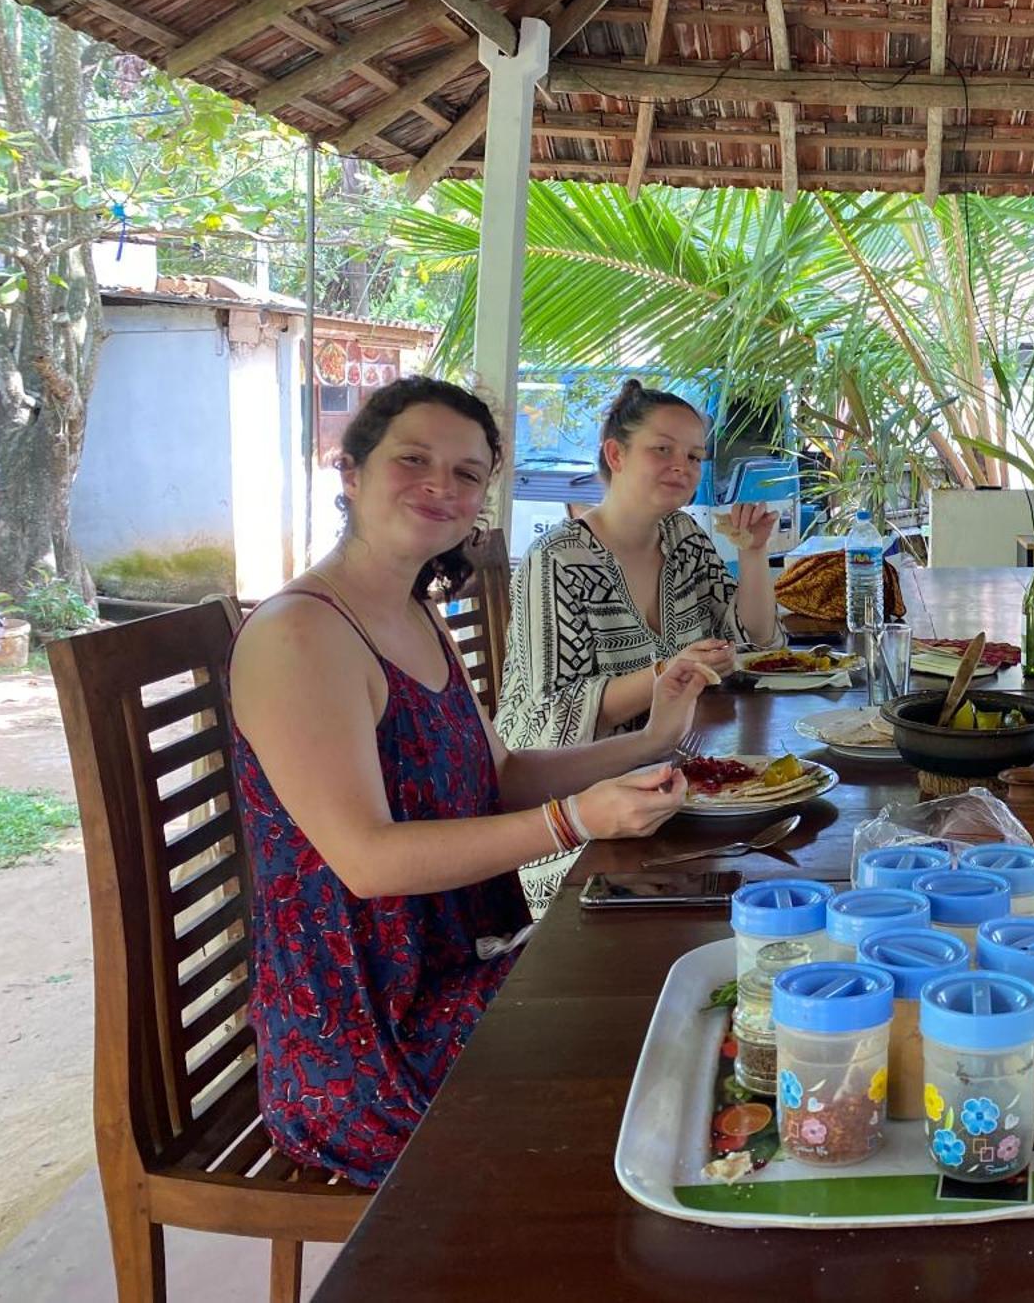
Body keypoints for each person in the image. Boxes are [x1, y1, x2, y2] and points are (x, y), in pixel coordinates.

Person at [229, 377, 716, 1186]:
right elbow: (368, 861)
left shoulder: (413, 611)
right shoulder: (301, 634)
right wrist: (574, 821)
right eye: (412, 460)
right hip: (368, 1039)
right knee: (663, 1059)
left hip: (463, 966)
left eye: (466, 473)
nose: (440, 486)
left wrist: (656, 740)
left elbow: (504, 773)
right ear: (350, 472)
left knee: (687, 988)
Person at [498, 378, 781, 912]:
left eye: (695, 455)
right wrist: (664, 674)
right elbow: (553, 714)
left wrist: (753, 553)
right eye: (663, 449)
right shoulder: (558, 562)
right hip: (571, 810)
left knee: (767, 870)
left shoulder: (685, 538)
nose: (683, 466)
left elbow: (753, 637)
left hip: (664, 781)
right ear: (616, 454)